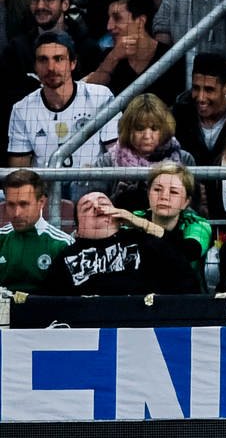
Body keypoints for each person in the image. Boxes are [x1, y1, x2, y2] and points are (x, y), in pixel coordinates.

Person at [42, 190, 198, 295]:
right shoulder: (67, 257)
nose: (97, 208)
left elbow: (182, 265)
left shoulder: (142, 241)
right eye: (87, 208)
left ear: (119, 215)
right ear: (78, 228)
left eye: (104, 203)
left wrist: (140, 223)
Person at [7, 32, 113, 172]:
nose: (51, 68)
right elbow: (19, 175)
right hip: (45, 192)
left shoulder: (100, 97)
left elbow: (117, 157)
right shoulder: (22, 109)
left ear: (72, 63)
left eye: (58, 59)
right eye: (43, 60)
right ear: (35, 66)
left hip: (95, 190)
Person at [0, 169, 72, 293]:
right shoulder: (1, 238)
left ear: (41, 202)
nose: (16, 213)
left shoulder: (62, 245)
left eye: (24, 204)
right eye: (11, 204)